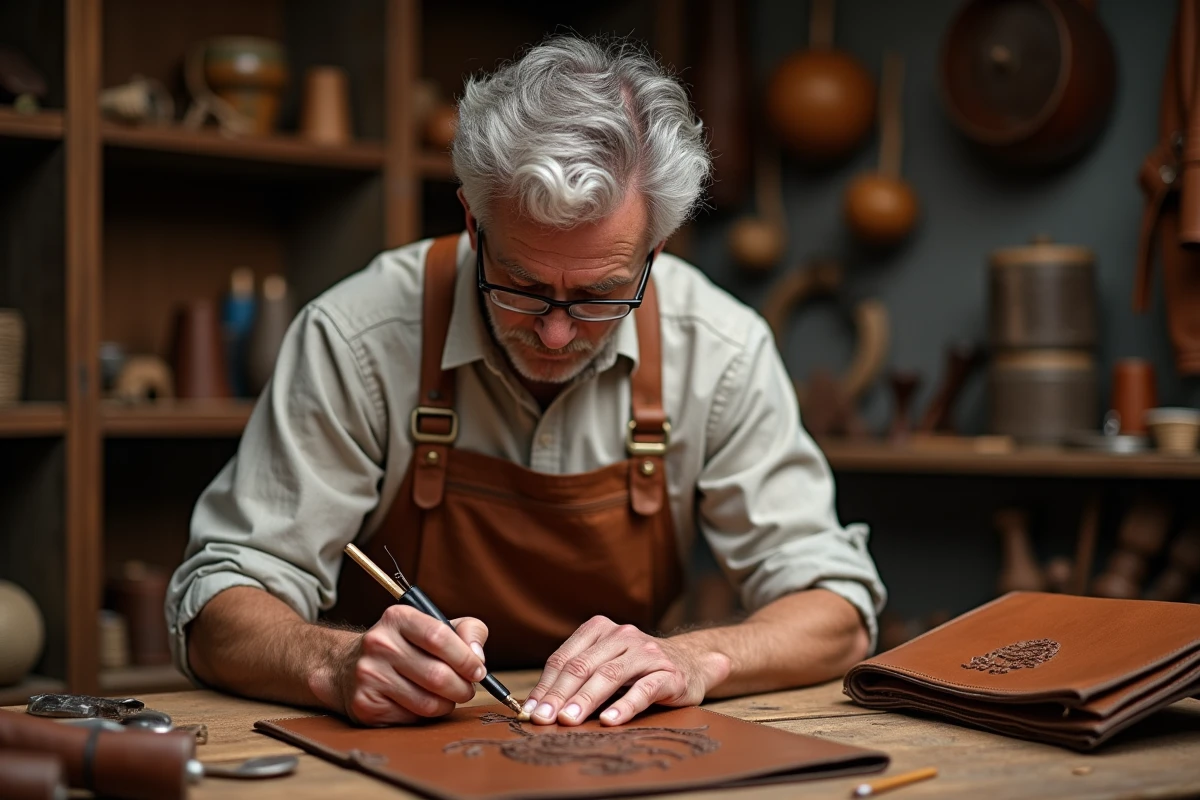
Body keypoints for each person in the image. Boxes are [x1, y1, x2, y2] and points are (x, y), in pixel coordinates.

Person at [167, 34, 886, 729]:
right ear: (474, 225)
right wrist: (336, 662)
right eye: (521, 286)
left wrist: (694, 657)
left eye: (601, 294)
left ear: (655, 251)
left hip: (623, 749)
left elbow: (838, 612)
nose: (555, 332)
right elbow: (216, 607)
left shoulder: (719, 349)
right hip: (390, 747)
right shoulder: (357, 337)